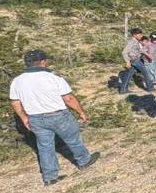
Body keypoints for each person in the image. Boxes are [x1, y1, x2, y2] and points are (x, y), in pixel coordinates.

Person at [9, 50, 100, 185]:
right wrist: (81, 112)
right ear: (43, 62)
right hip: (58, 115)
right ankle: (84, 161)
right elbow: (68, 98)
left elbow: (15, 102)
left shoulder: (17, 81)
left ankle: (50, 177)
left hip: (35, 118)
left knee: (45, 147)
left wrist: (23, 118)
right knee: (73, 139)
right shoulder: (53, 78)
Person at [118, 27, 153, 93]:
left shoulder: (135, 41)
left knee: (128, 74)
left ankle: (123, 89)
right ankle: (150, 88)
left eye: (141, 34)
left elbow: (137, 50)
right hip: (135, 61)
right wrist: (127, 62)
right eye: (139, 35)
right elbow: (124, 52)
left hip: (135, 60)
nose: (141, 36)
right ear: (134, 35)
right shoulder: (131, 42)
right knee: (146, 73)